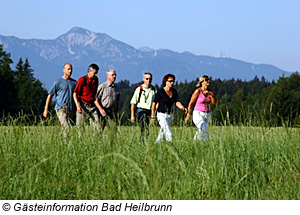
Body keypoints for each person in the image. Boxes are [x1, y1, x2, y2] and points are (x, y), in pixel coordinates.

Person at [151, 74, 187, 143]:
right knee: (167, 131)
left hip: (170, 114)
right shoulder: (160, 92)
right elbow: (154, 103)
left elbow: (176, 102)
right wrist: (153, 116)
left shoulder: (174, 91)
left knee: (162, 131)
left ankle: (157, 144)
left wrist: (183, 108)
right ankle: (170, 143)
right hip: (161, 114)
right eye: (170, 81)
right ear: (165, 82)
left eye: (173, 81)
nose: (172, 83)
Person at [43, 63, 77, 138]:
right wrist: (46, 109)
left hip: (70, 109)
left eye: (71, 69)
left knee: (64, 127)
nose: (70, 71)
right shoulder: (58, 82)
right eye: (68, 69)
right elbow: (50, 95)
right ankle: (66, 143)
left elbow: (76, 95)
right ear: (63, 70)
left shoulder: (74, 82)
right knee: (66, 127)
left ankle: (59, 141)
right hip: (61, 109)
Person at [185, 75, 217, 141]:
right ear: (202, 82)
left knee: (201, 129)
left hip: (207, 114)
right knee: (203, 127)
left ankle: (195, 142)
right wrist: (188, 115)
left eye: (208, 80)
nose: (208, 81)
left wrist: (210, 95)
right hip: (198, 113)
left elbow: (215, 103)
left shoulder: (210, 91)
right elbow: (191, 103)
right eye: (206, 80)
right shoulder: (198, 91)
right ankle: (205, 141)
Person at [73, 64, 102, 131]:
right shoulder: (82, 80)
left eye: (97, 73)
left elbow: (94, 96)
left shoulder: (96, 80)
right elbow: (75, 93)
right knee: (80, 128)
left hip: (92, 106)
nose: (96, 75)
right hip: (82, 105)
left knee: (98, 127)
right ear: (89, 71)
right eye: (94, 73)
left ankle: (96, 140)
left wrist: (100, 109)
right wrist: (77, 106)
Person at [130, 72, 156, 138]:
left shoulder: (153, 90)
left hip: (150, 110)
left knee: (148, 125)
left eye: (150, 79)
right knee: (144, 122)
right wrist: (132, 115)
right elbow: (133, 103)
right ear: (143, 79)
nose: (148, 81)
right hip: (141, 109)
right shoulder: (139, 89)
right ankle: (145, 137)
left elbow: (156, 102)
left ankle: (144, 137)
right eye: (147, 79)